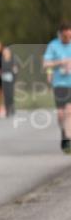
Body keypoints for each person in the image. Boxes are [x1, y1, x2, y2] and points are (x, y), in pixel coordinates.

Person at [43, 23, 71, 154]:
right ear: (60, 34)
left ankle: (68, 138)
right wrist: (60, 63)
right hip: (59, 83)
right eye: (64, 36)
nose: (66, 38)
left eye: (69, 35)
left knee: (69, 111)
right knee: (61, 114)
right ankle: (64, 132)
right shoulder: (53, 45)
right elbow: (46, 63)